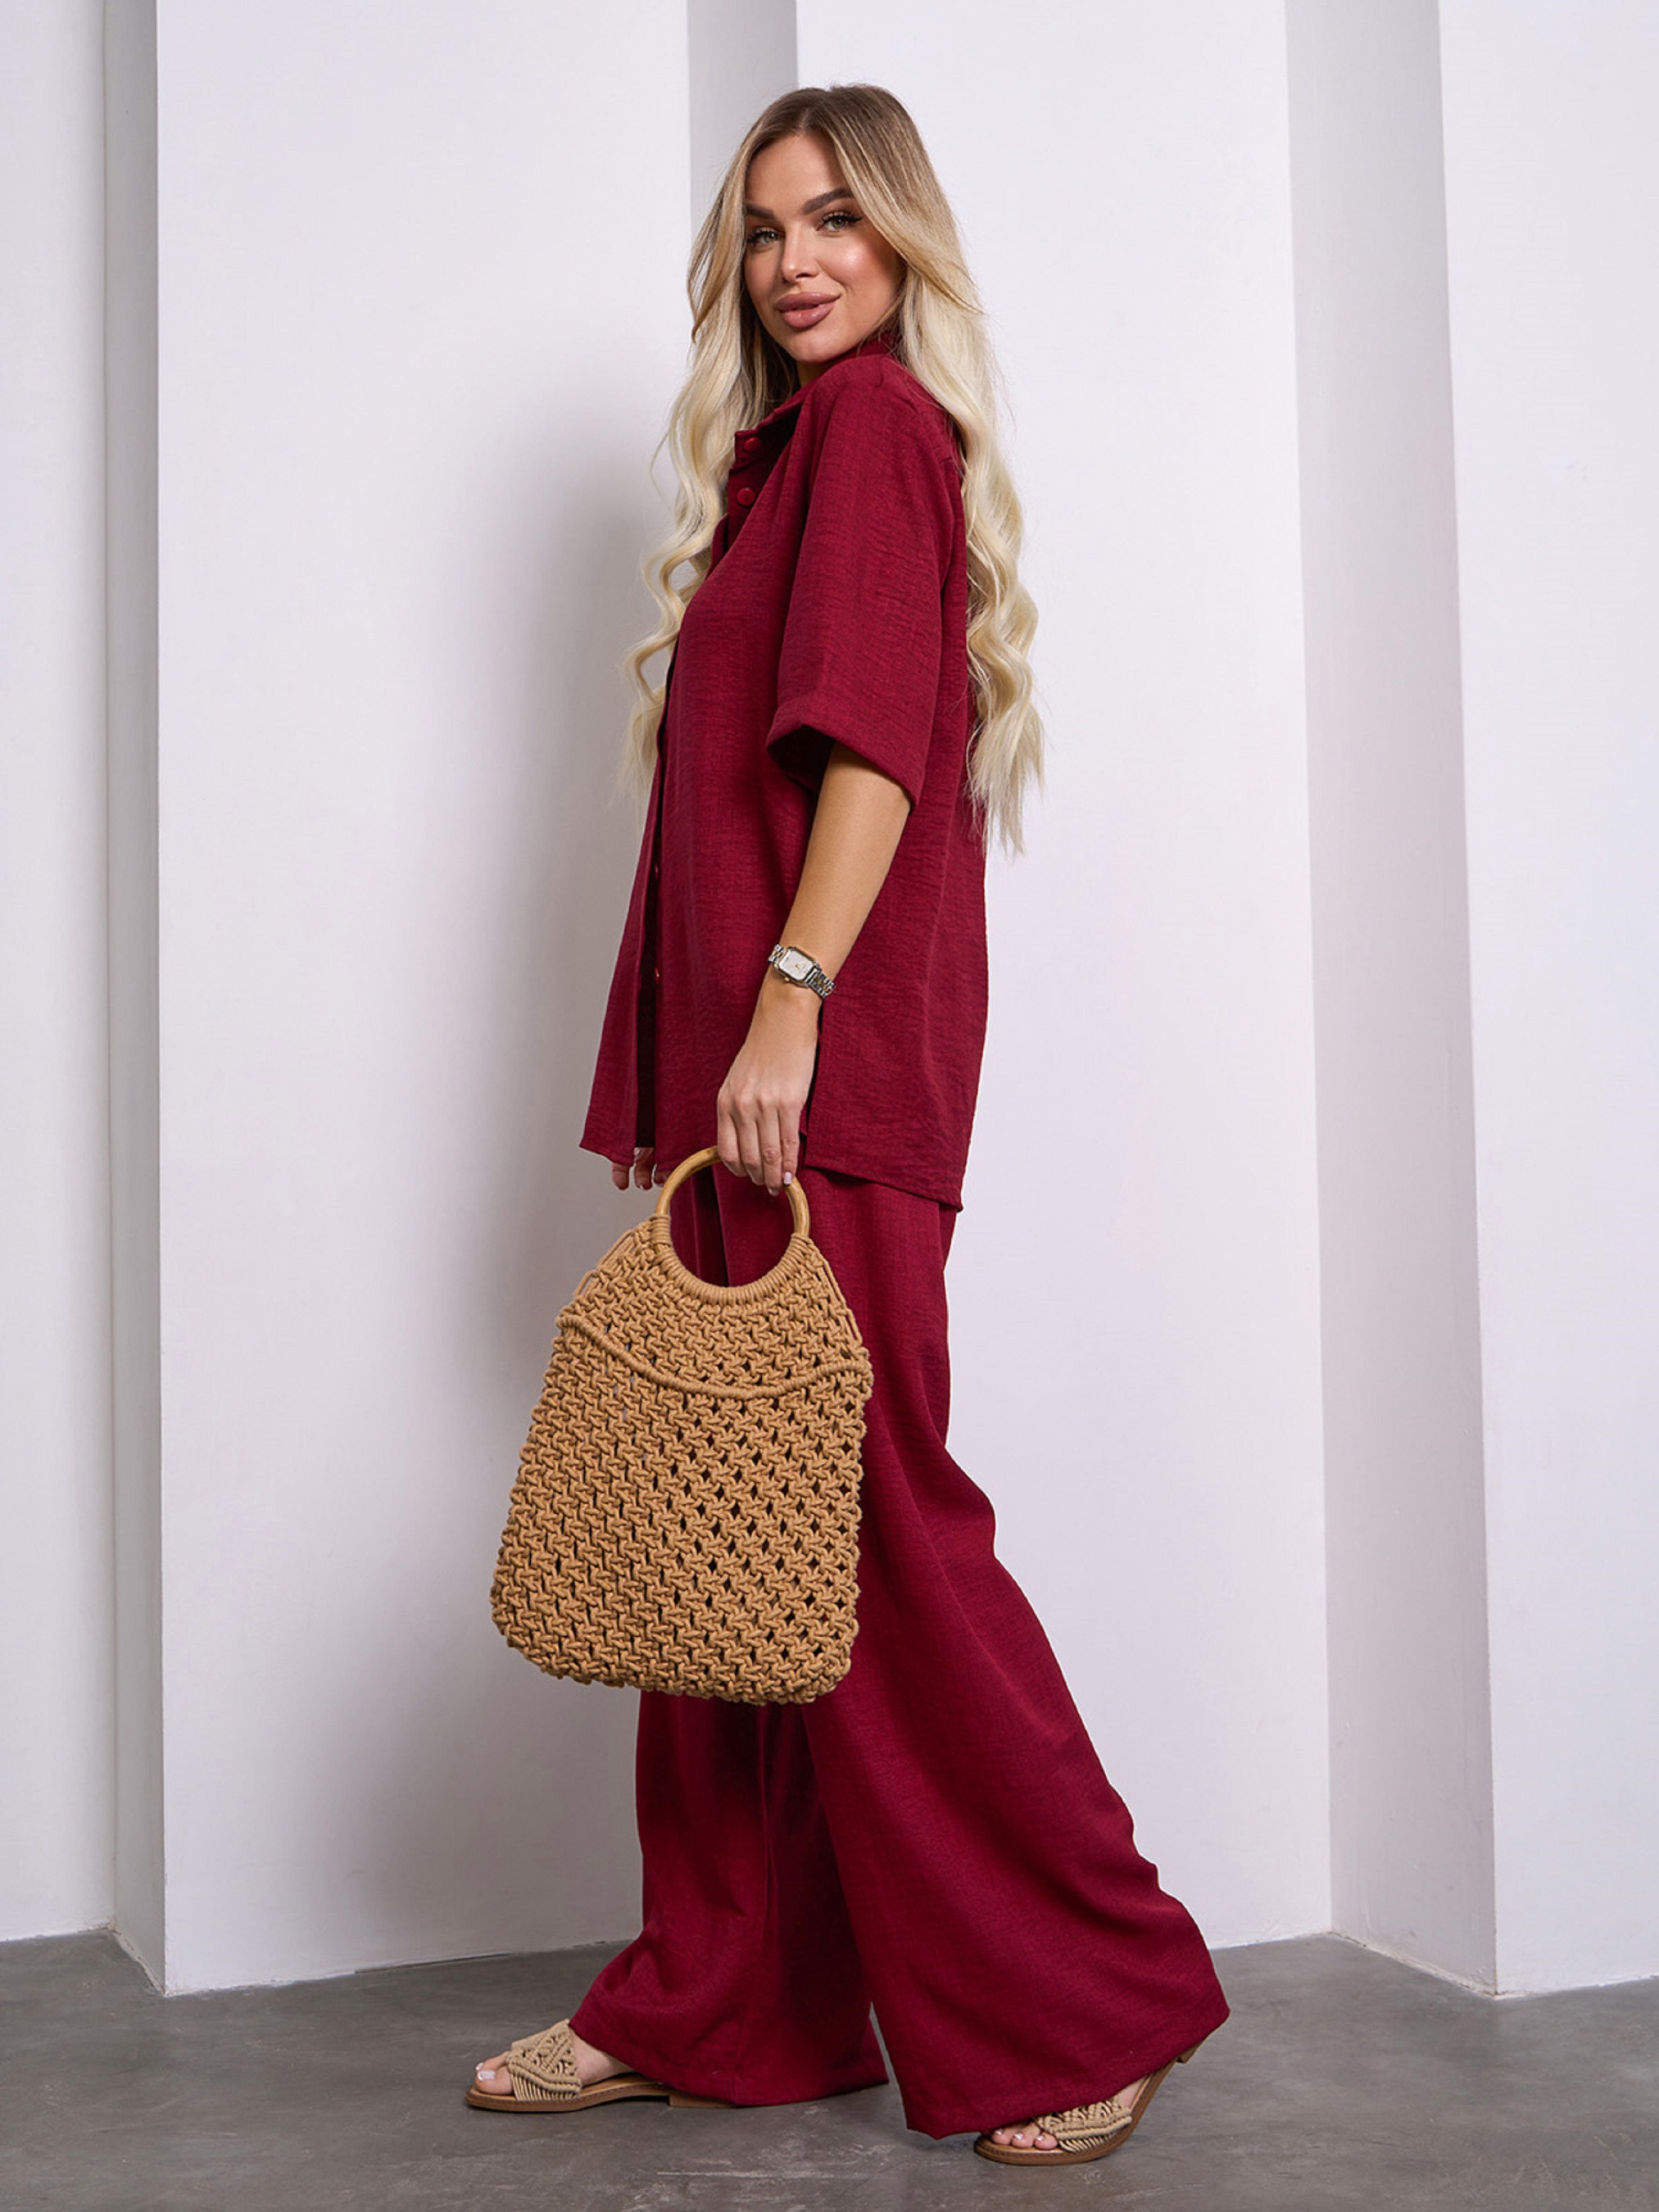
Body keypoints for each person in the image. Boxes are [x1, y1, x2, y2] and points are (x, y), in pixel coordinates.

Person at [469, 83, 1230, 2169]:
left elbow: (872, 762)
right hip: (751, 1085)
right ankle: (729, 2003)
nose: (794, 262)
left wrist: (787, 1009)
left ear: (902, 241)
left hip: (824, 1074)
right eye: (763, 229)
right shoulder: (782, 454)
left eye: (833, 221)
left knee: (877, 1535)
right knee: (735, 1535)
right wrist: (695, 1065)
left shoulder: (880, 430)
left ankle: (1098, 1989)